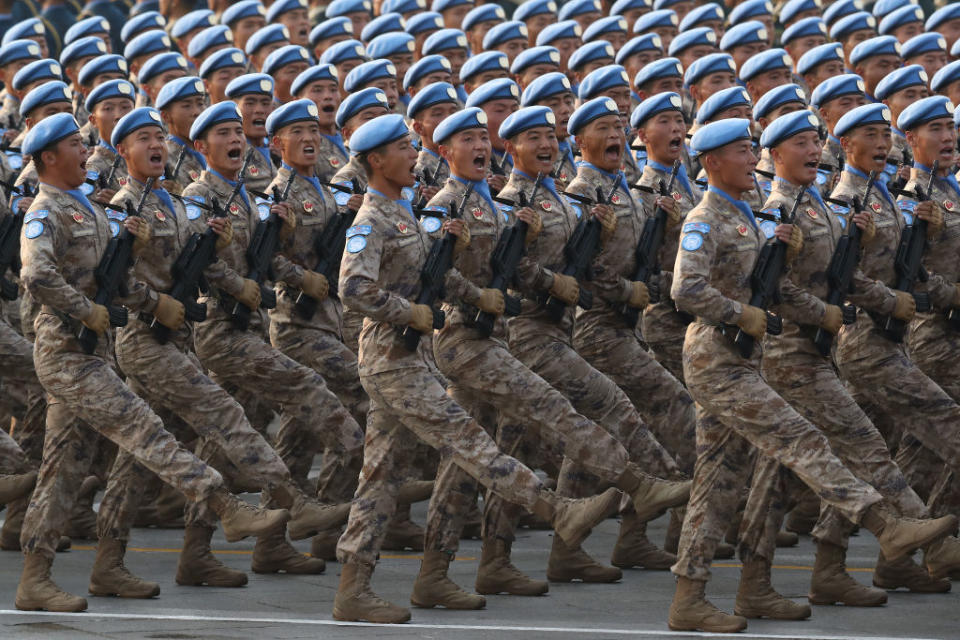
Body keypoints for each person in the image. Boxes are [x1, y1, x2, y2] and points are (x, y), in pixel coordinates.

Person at [667, 116, 957, 633]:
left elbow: (786, 284)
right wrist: (744, 314)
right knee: (806, 441)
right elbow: (685, 292)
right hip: (719, 357)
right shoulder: (704, 218)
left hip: (750, 356)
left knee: (721, 483)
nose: (750, 157)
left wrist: (837, 302)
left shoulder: (753, 217)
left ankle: (699, 595)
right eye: (742, 151)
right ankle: (886, 524)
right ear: (712, 163)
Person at [333, 112, 623, 624]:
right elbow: (354, 289)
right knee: (469, 441)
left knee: (380, 477)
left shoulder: (405, 211)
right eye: (402, 147)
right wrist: (408, 312)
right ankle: (557, 509)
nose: (411, 154)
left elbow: (433, 276)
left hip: (411, 354)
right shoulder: (370, 219)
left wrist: (468, 280)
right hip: (389, 359)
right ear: (377, 161)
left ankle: (358, 587)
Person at [15, 112, 289, 613]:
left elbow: (112, 279)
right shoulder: (45, 212)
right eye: (76, 145)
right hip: (66, 354)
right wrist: (85, 310)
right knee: (145, 430)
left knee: (62, 472)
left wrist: (147, 301)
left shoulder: (90, 210)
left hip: (92, 349)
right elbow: (36, 276)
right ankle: (224, 504)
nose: (84, 151)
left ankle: (36, 578)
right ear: (48, 157)